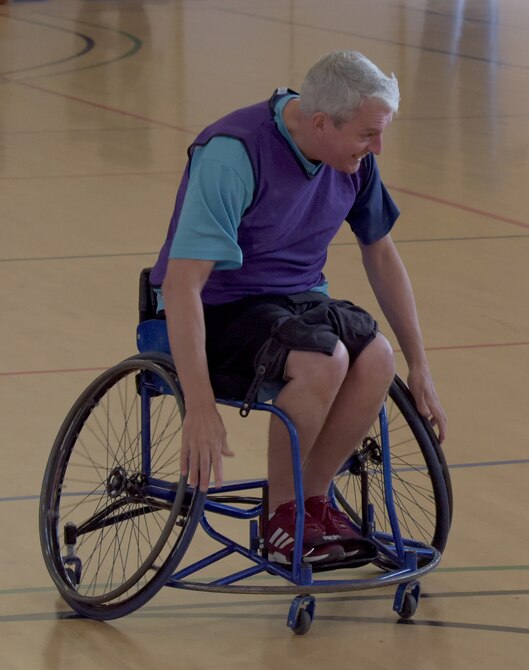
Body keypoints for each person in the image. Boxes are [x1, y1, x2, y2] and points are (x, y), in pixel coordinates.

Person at [148, 50, 446, 565]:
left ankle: (313, 499)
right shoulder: (234, 153)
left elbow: (381, 252)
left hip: (295, 301)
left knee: (376, 355)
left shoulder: (354, 158)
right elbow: (181, 288)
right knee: (321, 360)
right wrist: (198, 407)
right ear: (320, 122)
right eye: (368, 134)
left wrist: (420, 363)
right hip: (217, 305)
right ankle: (282, 516)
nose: (377, 147)